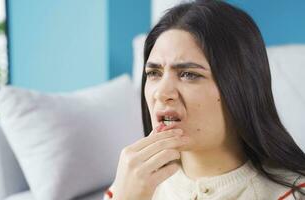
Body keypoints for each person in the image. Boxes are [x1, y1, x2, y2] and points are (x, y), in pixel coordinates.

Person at [104, 0, 305, 199]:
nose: (161, 93)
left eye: (188, 74)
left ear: (240, 88)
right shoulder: (131, 184)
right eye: (154, 72)